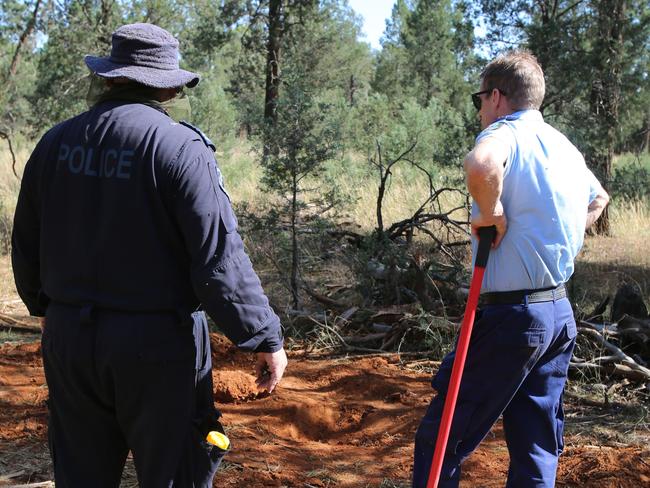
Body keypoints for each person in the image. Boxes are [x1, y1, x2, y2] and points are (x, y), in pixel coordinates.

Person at [12, 23, 287, 487]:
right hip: (157, 346)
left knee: (80, 476)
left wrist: (46, 308)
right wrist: (261, 336)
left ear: (109, 77)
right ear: (168, 84)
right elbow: (218, 259)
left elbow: (26, 242)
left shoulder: (55, 143)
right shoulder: (180, 148)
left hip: (69, 340)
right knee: (177, 472)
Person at [412, 50, 609, 488]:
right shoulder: (564, 145)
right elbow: (598, 199)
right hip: (558, 315)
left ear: (497, 97)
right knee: (536, 446)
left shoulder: (504, 133)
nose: (480, 110)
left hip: (512, 319)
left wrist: (491, 209)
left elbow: (481, 165)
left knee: (441, 438)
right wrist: (560, 233)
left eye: (479, 99)